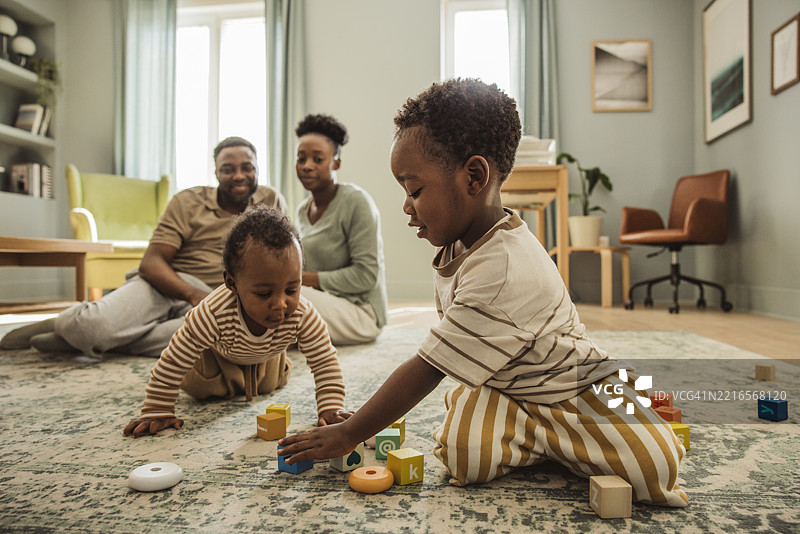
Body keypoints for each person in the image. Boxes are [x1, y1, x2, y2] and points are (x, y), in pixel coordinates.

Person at [278, 79, 689, 508]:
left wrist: (352, 431)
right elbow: (446, 351)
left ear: (474, 176)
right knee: (461, 457)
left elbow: (428, 366)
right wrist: (362, 420)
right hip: (508, 386)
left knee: (655, 467)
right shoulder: (460, 241)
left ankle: (596, 416)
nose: (406, 205)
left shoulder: (506, 265)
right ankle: (542, 438)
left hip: (573, 386)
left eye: (414, 190)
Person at [0, 137, 287, 358]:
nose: (238, 175)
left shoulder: (271, 201)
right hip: (170, 285)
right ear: (216, 173)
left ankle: (101, 341)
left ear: (257, 168)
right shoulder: (187, 201)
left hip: (223, 300)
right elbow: (151, 263)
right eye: (228, 169)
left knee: (225, 340)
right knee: (89, 327)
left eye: (246, 167)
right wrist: (193, 293)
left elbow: (286, 259)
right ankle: (74, 326)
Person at [124, 206, 350, 437]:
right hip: (216, 358)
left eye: (292, 289)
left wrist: (331, 407)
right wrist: (157, 410)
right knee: (203, 388)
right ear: (232, 283)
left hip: (266, 359)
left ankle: (250, 379)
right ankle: (228, 382)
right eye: (264, 293)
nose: (280, 304)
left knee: (273, 383)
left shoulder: (302, 313)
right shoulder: (212, 312)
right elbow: (173, 360)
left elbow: (324, 360)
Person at [294, 113, 387, 345]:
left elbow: (367, 276)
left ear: (336, 162)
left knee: (291, 297)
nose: (307, 166)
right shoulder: (300, 211)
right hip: (322, 304)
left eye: (317, 159)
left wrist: (300, 279)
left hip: (361, 313)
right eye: (301, 158)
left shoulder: (356, 202)